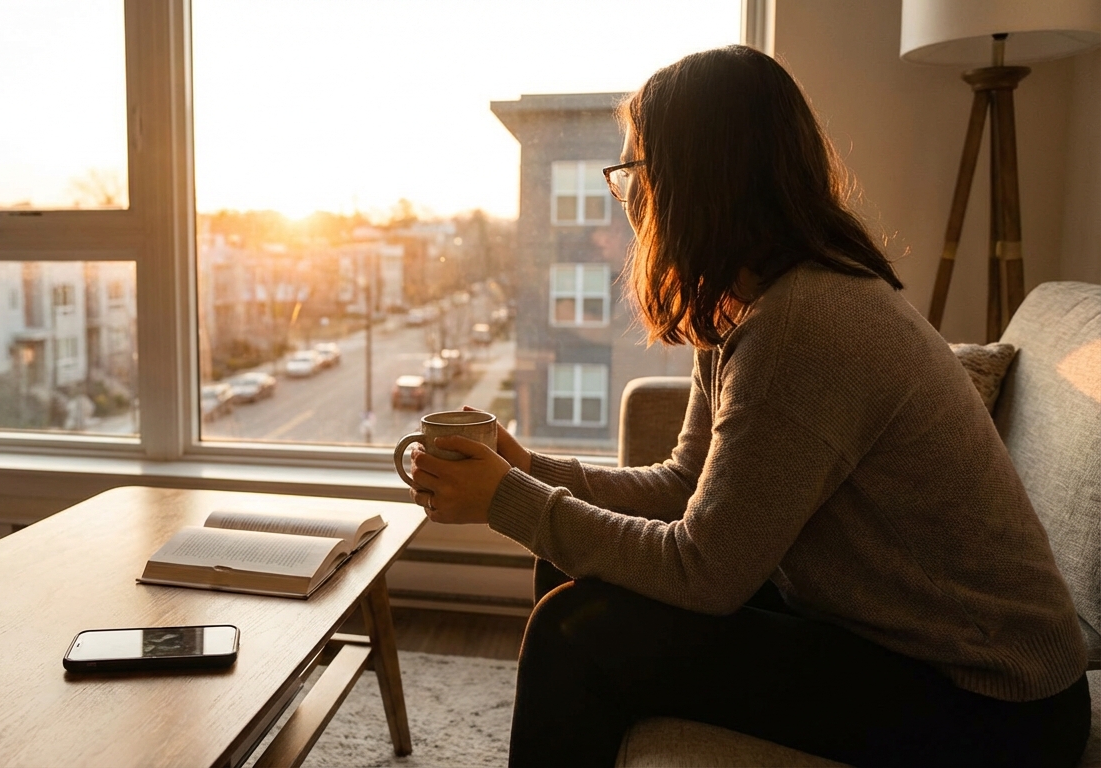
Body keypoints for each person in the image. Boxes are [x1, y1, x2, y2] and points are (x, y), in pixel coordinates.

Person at [406, 45, 1090, 768]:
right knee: (570, 570)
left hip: (991, 702)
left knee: (576, 628)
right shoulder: (748, 304)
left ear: (697, 180)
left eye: (632, 172)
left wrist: (508, 500)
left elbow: (704, 571)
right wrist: (530, 470)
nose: (628, 197)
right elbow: (681, 487)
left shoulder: (805, 324)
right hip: (886, 641)